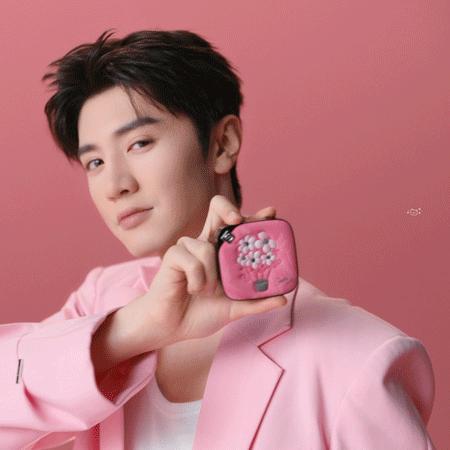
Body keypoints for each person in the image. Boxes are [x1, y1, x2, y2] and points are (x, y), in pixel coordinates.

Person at [0, 29, 436, 450]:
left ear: (223, 143)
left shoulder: (354, 357)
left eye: (139, 143)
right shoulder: (101, 303)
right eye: (94, 162)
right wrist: (133, 330)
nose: (115, 185)